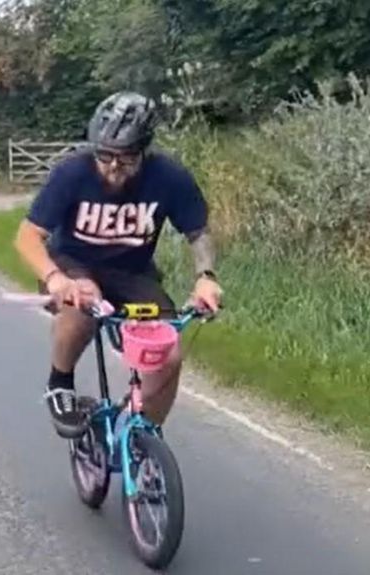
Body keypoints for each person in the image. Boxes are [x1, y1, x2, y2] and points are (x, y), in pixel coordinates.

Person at [14, 91, 222, 438]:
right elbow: (27, 236)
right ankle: (60, 382)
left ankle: (142, 434)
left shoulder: (169, 177)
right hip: (72, 264)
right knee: (84, 302)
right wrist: (53, 279)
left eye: (125, 158)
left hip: (132, 273)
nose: (113, 166)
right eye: (105, 155)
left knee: (168, 352)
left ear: (144, 151)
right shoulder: (71, 173)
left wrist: (206, 277)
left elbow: (198, 232)